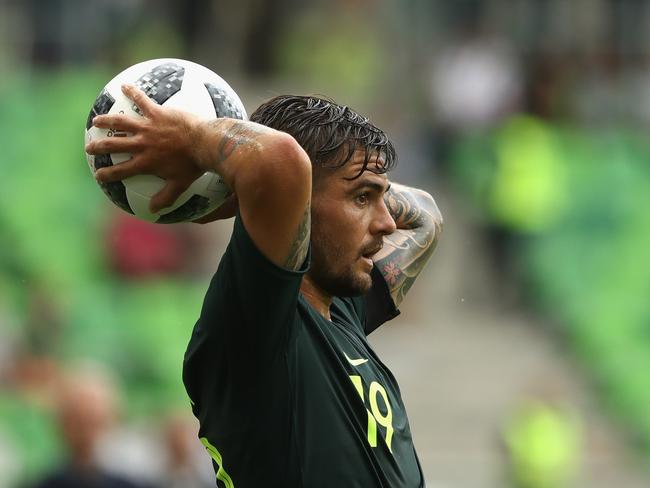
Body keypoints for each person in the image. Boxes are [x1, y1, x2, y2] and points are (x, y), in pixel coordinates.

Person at [86, 84, 443, 487]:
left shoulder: (340, 311)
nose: (387, 223)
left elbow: (427, 217)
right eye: (361, 198)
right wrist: (194, 140)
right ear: (299, 199)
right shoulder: (258, 321)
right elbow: (278, 160)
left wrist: (357, 179)